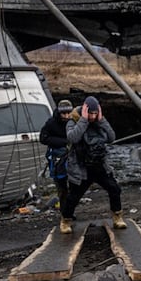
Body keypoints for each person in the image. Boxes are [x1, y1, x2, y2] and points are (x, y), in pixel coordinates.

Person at [59, 96, 126, 234]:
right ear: (85, 111)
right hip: (81, 167)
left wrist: (102, 120)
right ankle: (65, 220)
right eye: (91, 113)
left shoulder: (99, 121)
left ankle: (117, 217)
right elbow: (72, 137)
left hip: (99, 165)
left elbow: (112, 137)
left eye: (95, 114)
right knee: (74, 197)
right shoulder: (73, 121)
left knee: (114, 189)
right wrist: (83, 120)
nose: (93, 116)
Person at [39, 99, 73, 208]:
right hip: (57, 157)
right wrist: (63, 142)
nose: (66, 116)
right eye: (64, 113)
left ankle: (70, 209)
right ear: (59, 113)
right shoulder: (51, 123)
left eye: (69, 113)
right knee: (61, 186)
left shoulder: (75, 121)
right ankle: (64, 211)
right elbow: (43, 138)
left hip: (72, 156)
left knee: (73, 185)